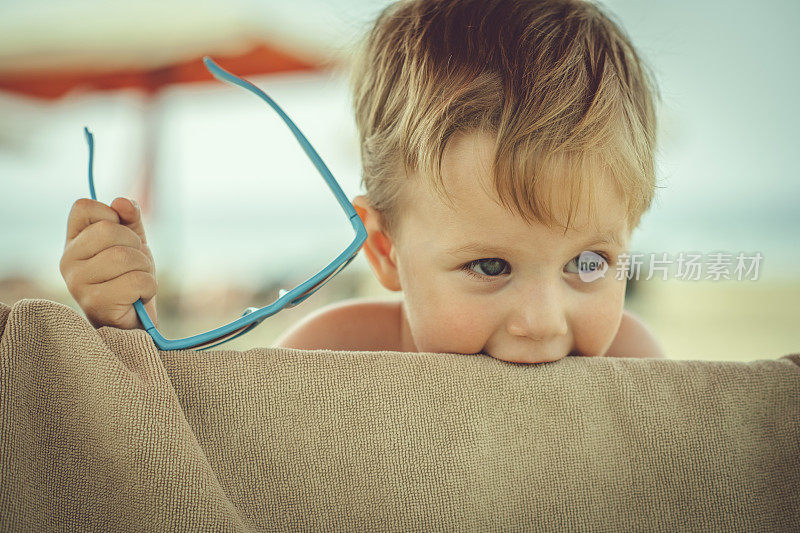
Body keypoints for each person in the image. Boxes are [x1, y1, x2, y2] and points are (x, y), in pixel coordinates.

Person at [60, 0, 665, 363]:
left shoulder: (637, 368)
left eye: (589, 263)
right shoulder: (332, 355)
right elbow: (204, 462)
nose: (544, 322)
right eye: (489, 267)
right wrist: (126, 335)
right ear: (385, 249)